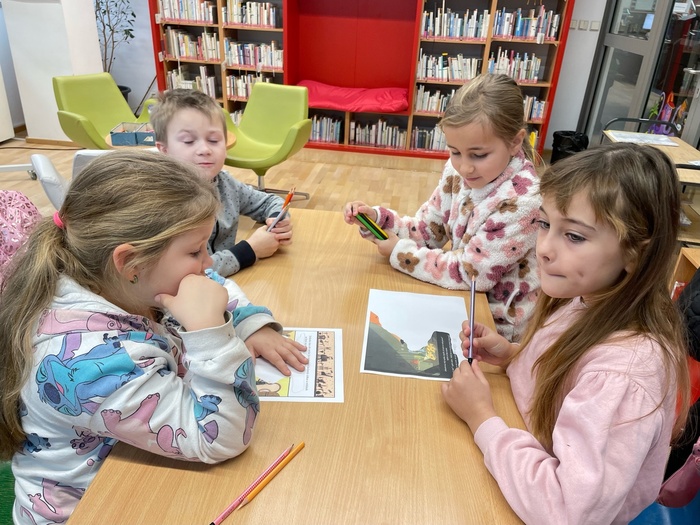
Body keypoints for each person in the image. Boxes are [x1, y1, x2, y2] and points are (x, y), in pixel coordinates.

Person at [0, 151, 304, 525]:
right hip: (90, 510)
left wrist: (249, 323)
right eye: (195, 251)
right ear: (130, 263)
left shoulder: (124, 283)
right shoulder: (90, 364)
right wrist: (212, 334)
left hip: (134, 471)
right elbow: (221, 437)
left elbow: (212, 286)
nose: (209, 262)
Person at [441, 143, 691, 524]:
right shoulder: (587, 298)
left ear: (634, 254)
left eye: (573, 236)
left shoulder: (624, 374)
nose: (543, 248)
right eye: (544, 224)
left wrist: (481, 418)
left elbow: (567, 511)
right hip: (521, 459)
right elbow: (565, 380)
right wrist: (512, 355)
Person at [344, 74, 541, 341]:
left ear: (515, 142)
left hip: (499, 329)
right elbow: (427, 231)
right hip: (463, 303)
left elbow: (471, 275)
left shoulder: (524, 200)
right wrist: (379, 220)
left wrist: (401, 253)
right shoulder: (456, 172)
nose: (465, 167)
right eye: (455, 151)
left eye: (479, 155)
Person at [150, 88, 293, 277]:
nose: (204, 149)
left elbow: (269, 202)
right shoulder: (165, 203)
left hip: (232, 283)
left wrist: (277, 219)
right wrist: (250, 250)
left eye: (213, 140)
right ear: (164, 150)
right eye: (189, 141)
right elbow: (187, 272)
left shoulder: (225, 183)